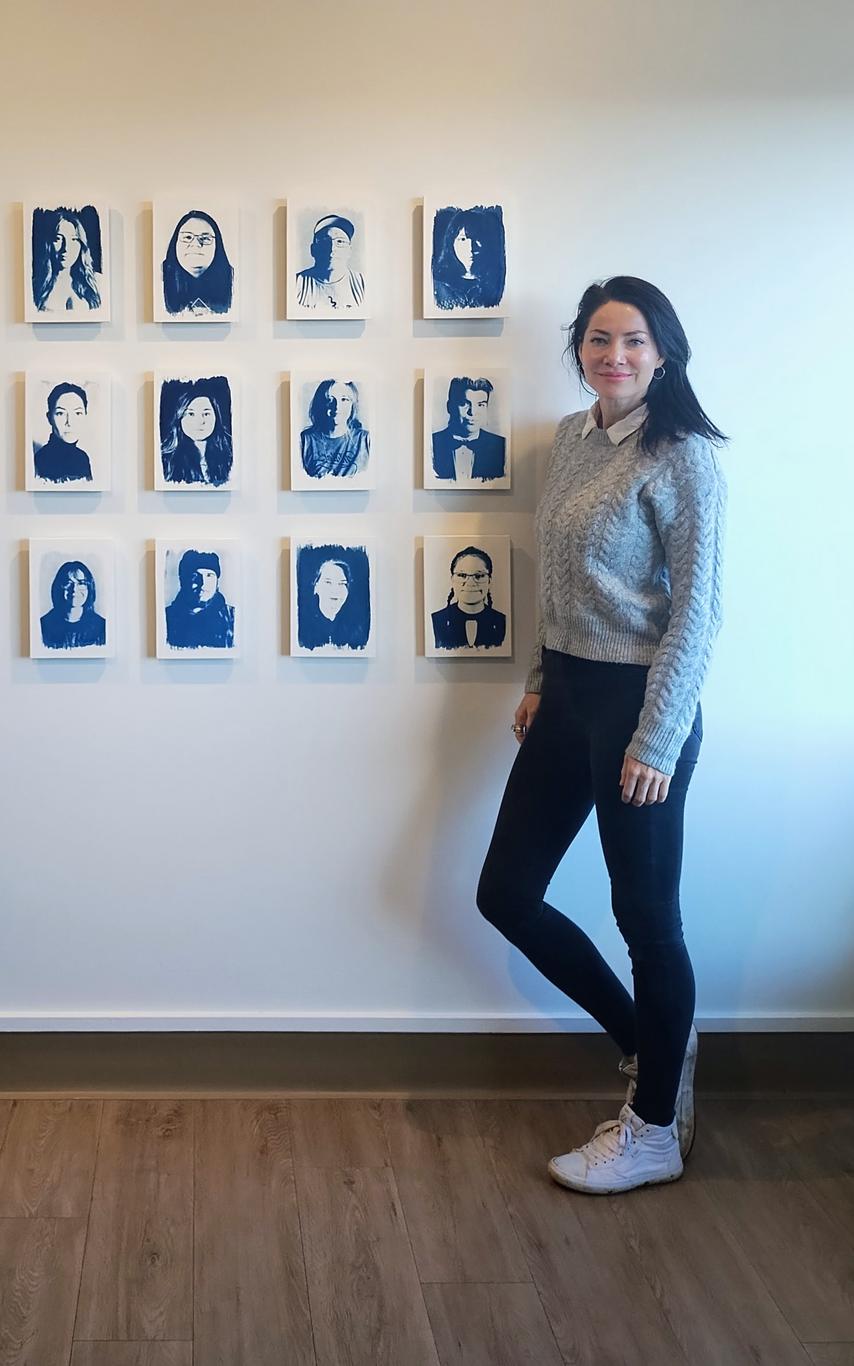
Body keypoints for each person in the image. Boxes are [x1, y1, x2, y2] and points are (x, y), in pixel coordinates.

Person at [476, 276, 727, 1195]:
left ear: (663, 353)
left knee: (646, 921)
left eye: (631, 340)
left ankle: (654, 1131)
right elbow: (559, 582)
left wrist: (657, 741)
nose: (612, 355)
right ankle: (654, 1046)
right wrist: (543, 681)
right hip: (569, 696)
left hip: (639, 706)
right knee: (505, 892)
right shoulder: (570, 439)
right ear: (578, 347)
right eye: (596, 339)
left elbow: (698, 612)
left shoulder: (684, 457)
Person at [431, 205, 505, 312]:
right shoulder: (440, 285)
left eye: (476, 238)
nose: (471, 247)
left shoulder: (495, 283)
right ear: (450, 242)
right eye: (463, 239)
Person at [161, 209, 234, 317]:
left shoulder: (230, 277)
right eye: (187, 237)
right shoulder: (162, 276)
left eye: (205, 238)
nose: (196, 244)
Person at [431, 377, 506, 482]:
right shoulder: (432, 443)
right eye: (464, 404)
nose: (473, 412)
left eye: (480, 405)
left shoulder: (501, 446)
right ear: (450, 407)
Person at [431, 546, 506, 649]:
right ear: (452, 580)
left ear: (489, 581)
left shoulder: (501, 621)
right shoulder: (437, 620)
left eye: (479, 576)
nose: (470, 583)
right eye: (462, 575)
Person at [160, 380, 233, 486]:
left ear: (217, 417)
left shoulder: (229, 457)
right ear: (179, 418)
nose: (200, 421)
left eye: (206, 414)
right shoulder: (167, 460)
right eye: (191, 414)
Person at [32, 207, 103, 315]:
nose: (66, 248)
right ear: (48, 245)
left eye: (74, 239)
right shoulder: (36, 285)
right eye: (58, 239)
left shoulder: (97, 282)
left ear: (81, 244)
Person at [297, 551, 371, 651]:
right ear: (316, 587)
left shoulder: (356, 629)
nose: (336, 590)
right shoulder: (302, 627)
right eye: (328, 582)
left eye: (342, 583)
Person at [300, 379, 370, 479]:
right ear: (320, 404)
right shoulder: (305, 440)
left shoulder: (365, 439)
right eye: (329, 400)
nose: (337, 407)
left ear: (353, 405)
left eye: (344, 399)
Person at [165, 550, 234, 649]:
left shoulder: (231, 617)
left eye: (209, 576)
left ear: (217, 581)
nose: (203, 583)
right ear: (182, 580)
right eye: (195, 576)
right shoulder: (167, 617)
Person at [295, 215, 365, 311]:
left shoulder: (361, 283)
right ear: (313, 249)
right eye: (325, 241)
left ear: (349, 250)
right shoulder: (298, 283)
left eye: (340, 241)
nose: (332, 249)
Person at [34, 383, 93, 483]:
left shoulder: (82, 458)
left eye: (78, 413)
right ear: (49, 418)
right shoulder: (41, 459)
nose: (69, 422)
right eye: (60, 413)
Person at [40, 561, 106, 649]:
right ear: (58, 588)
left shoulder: (101, 627)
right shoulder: (43, 625)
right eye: (68, 583)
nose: (74, 589)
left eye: (81, 583)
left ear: (89, 588)